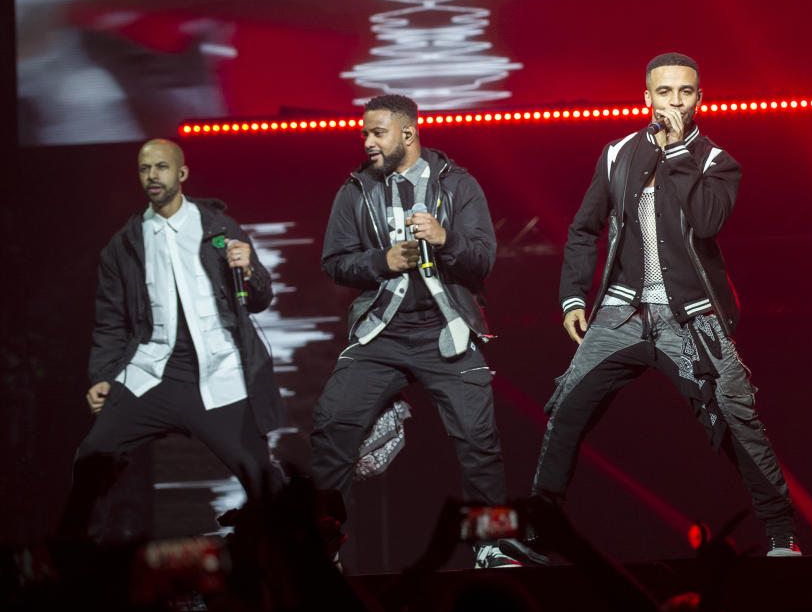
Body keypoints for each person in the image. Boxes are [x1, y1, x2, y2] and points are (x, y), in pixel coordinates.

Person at [529, 52, 801, 557]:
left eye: (685, 92)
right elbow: (585, 228)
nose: (674, 101)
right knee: (565, 408)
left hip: (690, 315)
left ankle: (781, 533)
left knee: (733, 418)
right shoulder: (616, 153)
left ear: (699, 98)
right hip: (621, 310)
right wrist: (571, 296)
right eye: (664, 92)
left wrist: (677, 151)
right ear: (647, 97)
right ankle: (536, 534)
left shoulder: (718, 161)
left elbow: (707, 222)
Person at [311, 94, 519, 568]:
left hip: (446, 329)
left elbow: (484, 257)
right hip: (381, 333)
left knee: (478, 437)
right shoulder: (355, 190)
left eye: (376, 133)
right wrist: (381, 261)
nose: (366, 142)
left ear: (408, 134)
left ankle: (493, 545)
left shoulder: (457, 185)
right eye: (364, 133)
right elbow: (334, 263)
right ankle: (324, 550)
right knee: (332, 426)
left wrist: (446, 240)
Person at [58, 139, 284, 540]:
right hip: (154, 375)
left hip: (218, 376)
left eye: (161, 167)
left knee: (262, 478)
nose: (152, 176)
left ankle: (307, 562)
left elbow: (261, 301)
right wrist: (102, 377)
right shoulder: (123, 246)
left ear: (181, 173)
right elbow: (110, 321)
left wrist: (249, 269)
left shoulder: (218, 226)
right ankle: (68, 560)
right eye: (145, 169)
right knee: (92, 458)